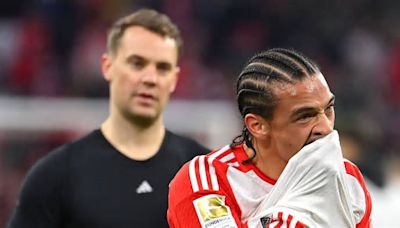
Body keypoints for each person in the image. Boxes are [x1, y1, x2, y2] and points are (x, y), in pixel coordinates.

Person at [8, 9, 209, 228]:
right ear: (107, 67)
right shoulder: (55, 176)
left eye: (162, 68)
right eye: (137, 63)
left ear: (174, 79)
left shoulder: (205, 174)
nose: (150, 78)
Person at [168, 48, 372, 227]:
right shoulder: (208, 181)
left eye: (328, 109)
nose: (326, 128)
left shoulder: (346, 178)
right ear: (257, 126)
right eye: (305, 116)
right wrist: (293, 219)